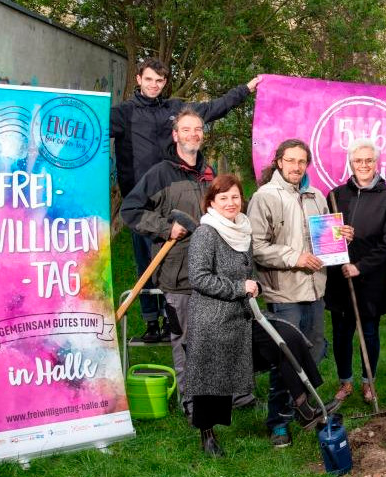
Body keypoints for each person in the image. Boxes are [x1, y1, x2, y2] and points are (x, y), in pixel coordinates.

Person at [111, 57, 261, 342]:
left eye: (160, 80)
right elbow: (90, 128)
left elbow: (214, 108)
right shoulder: (123, 113)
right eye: (149, 79)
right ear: (139, 80)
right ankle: (151, 322)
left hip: (179, 188)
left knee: (187, 259)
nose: (154, 85)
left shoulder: (175, 110)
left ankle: (178, 319)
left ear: (165, 83)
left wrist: (246, 89)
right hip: (146, 197)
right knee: (147, 263)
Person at [185, 174, 327, 456]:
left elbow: (249, 275)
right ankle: (208, 434)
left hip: (244, 315)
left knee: (288, 339)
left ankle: (303, 406)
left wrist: (255, 286)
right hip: (213, 320)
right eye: (223, 198)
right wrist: (240, 287)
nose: (230, 203)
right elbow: (199, 278)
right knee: (211, 377)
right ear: (212, 202)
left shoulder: (243, 229)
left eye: (235, 197)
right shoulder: (206, 232)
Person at [120, 108, 214, 419]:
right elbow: (130, 210)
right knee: (185, 340)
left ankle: (221, 395)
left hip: (211, 271)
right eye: (186, 130)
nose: (193, 135)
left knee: (212, 337)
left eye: (197, 129)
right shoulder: (160, 173)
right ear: (175, 135)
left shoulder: (209, 174)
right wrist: (165, 228)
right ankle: (190, 403)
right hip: (178, 273)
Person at [247, 139, 341, 445]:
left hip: (315, 289)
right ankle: (279, 422)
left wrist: (339, 237)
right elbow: (257, 248)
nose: (297, 167)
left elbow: (322, 242)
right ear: (278, 162)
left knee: (312, 352)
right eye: (291, 161)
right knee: (285, 357)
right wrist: (294, 257)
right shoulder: (265, 197)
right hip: (284, 292)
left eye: (302, 162)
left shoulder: (316, 196)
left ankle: (304, 409)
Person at [326, 138, 386, 405]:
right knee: (342, 332)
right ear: (351, 163)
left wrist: (361, 266)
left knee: (369, 332)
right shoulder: (335, 195)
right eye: (359, 160)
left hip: (372, 278)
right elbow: (324, 235)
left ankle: (369, 383)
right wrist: (338, 236)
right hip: (340, 277)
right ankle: (345, 381)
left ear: (377, 163)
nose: (364, 165)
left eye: (369, 160)